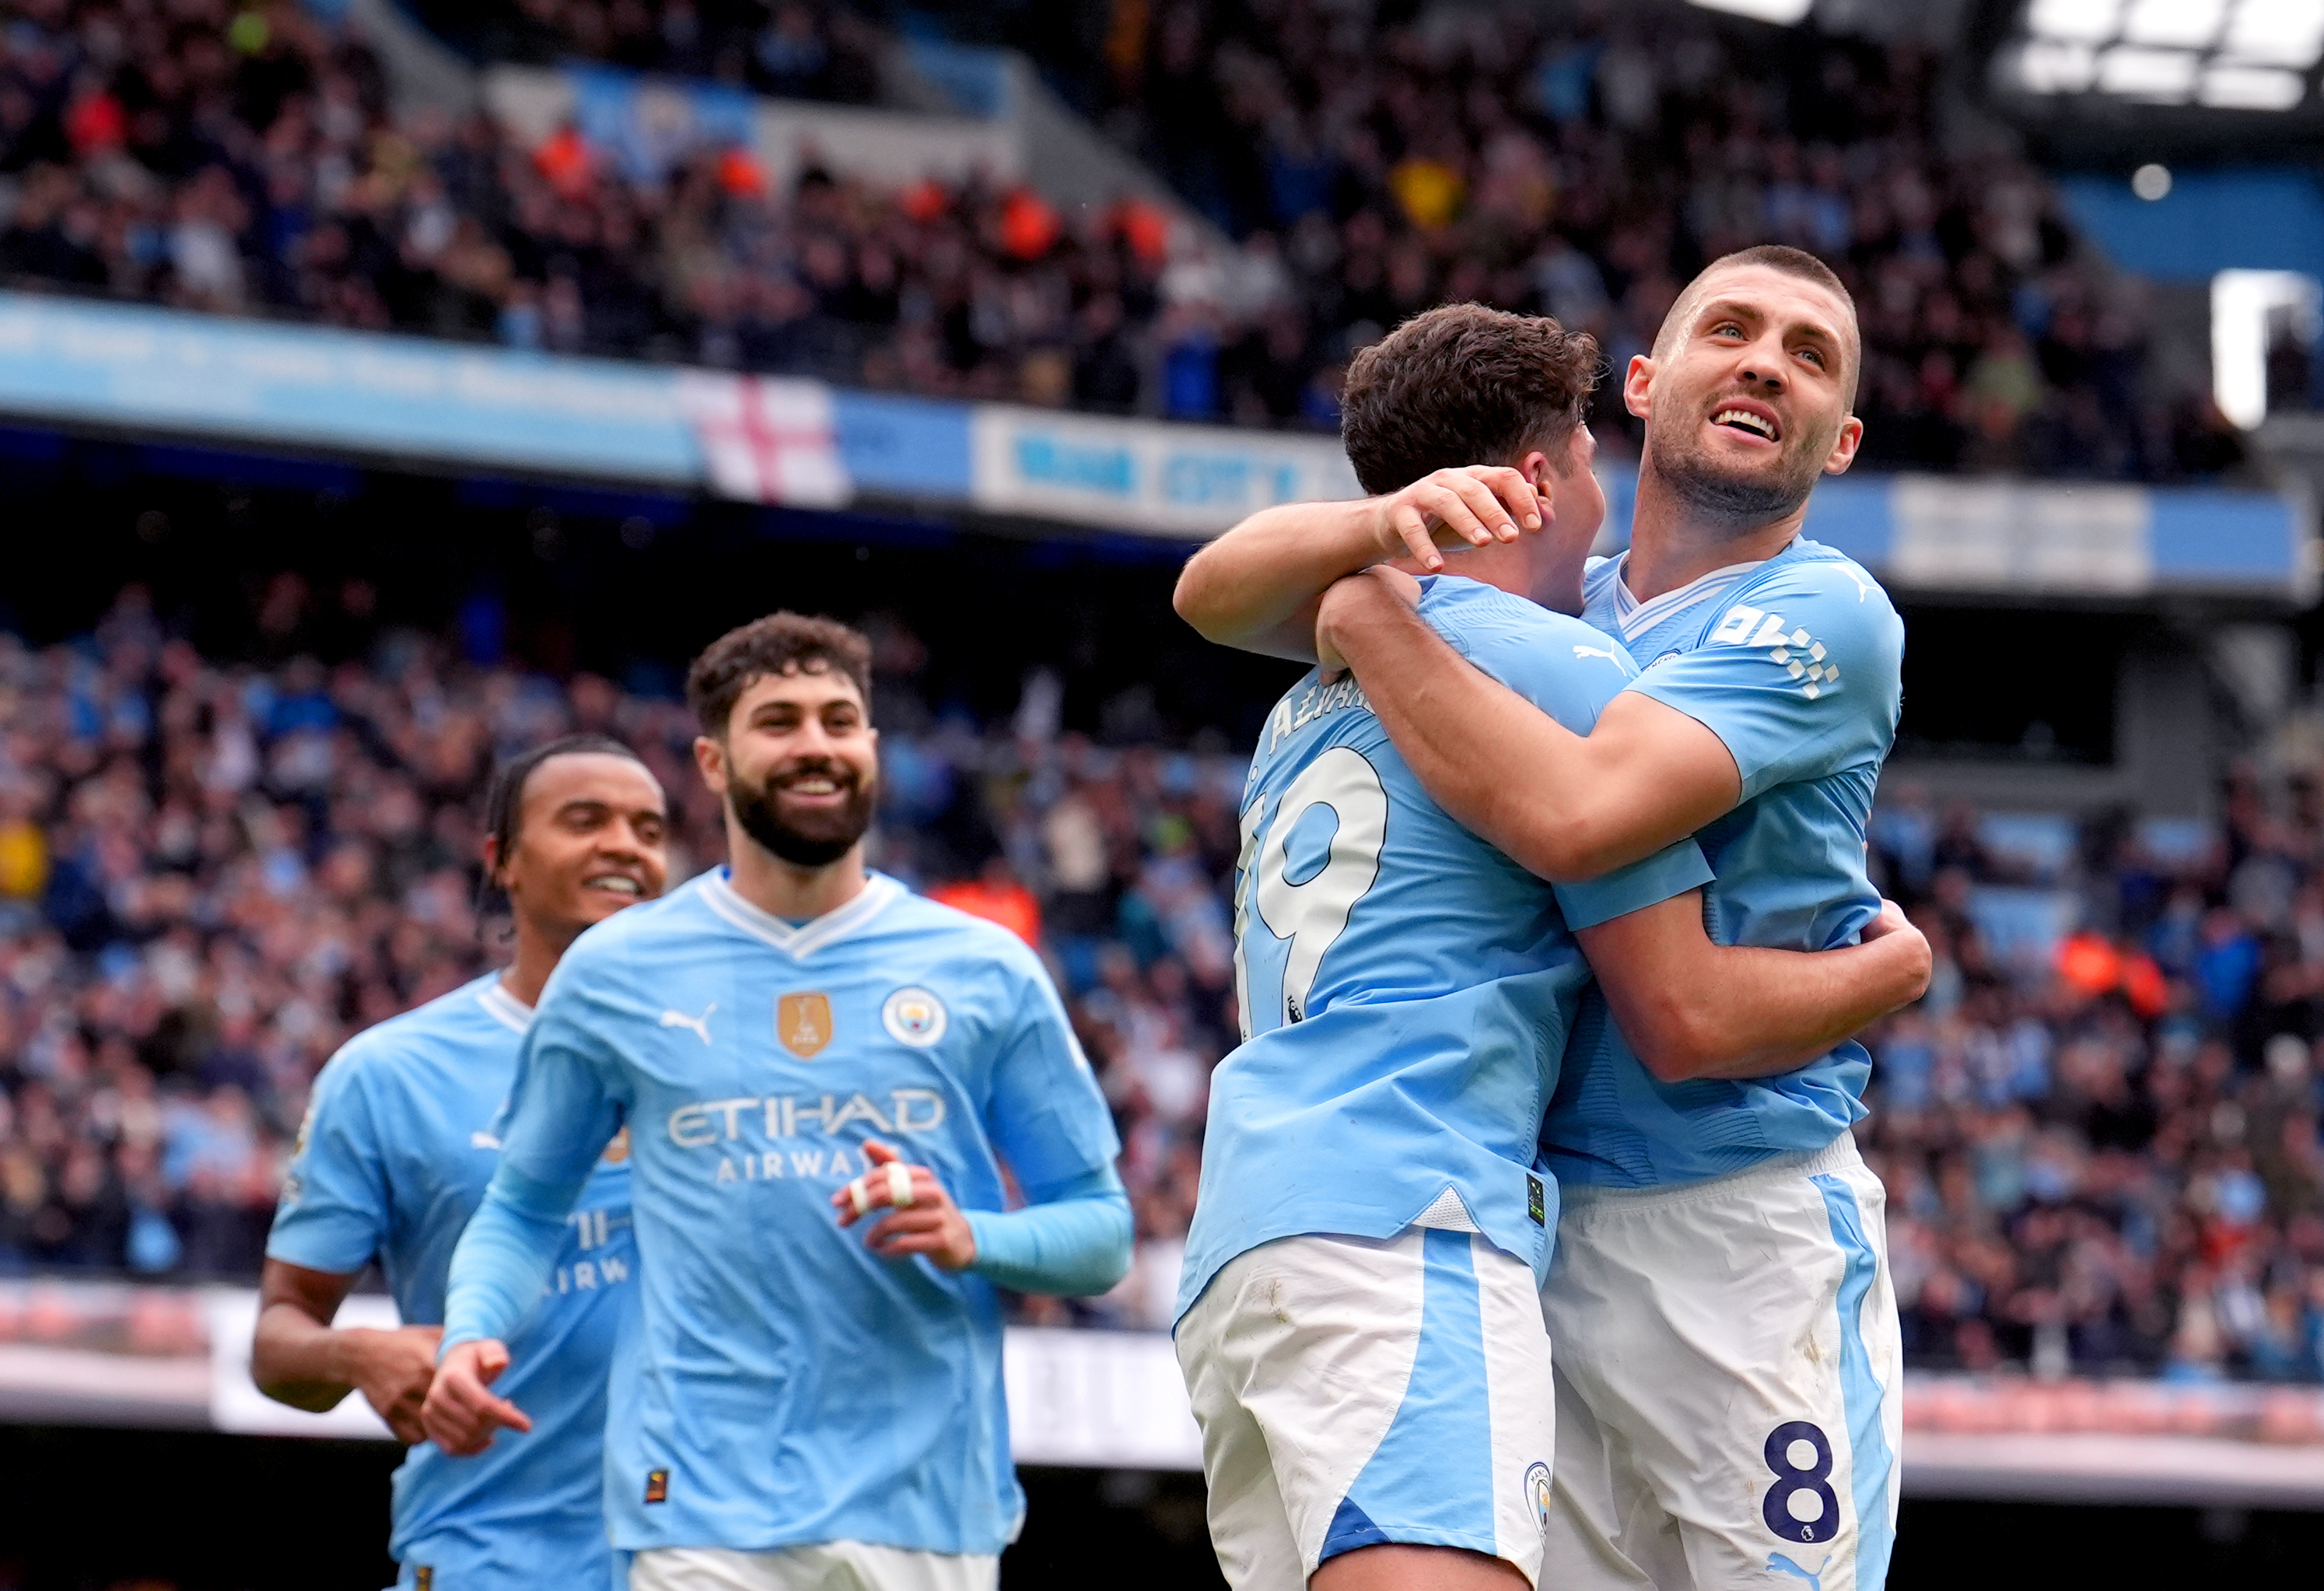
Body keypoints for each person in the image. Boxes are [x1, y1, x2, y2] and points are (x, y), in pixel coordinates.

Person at [1169, 300, 1927, 1591]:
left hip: (1727, 1222)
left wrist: (1359, 598)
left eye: (1808, 356)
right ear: (1640, 386)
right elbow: (1616, 895)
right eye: (1729, 330)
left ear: (1840, 440)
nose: (1763, 362)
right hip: (1505, 1228)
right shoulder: (1546, 624)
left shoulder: (1819, 608)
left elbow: (1216, 593)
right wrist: (1886, 973)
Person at [420, 613, 1132, 1591]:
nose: (815, 745)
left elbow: (1101, 1234)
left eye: (840, 720)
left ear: (872, 748)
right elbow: (524, 1207)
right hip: (699, 1503)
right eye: (780, 721)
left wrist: (971, 1234)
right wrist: (469, 1335)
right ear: (714, 762)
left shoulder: (984, 967)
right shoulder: (616, 970)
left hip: (928, 1503)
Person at [254, 734, 671, 1591]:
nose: (624, 844)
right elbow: (277, 1340)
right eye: (585, 820)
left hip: (710, 1555)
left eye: (648, 828)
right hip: (493, 1556)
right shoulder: (388, 1073)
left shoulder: (723, 1058)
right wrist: (362, 1357)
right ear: (503, 860)